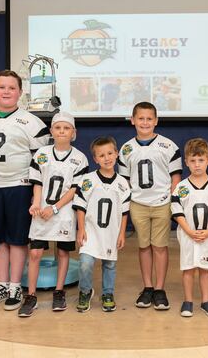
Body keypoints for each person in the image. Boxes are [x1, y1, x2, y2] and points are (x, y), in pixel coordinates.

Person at [0, 70, 50, 311]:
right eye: (2, 87)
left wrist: (38, 194)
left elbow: (42, 162)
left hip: (19, 185)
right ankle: (2, 283)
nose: (6, 91)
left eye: (12, 88)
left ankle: (15, 284)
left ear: (20, 92)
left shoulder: (32, 123)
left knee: (17, 238)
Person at [18, 112, 89, 317]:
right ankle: (31, 296)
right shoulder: (42, 153)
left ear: (73, 133)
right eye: (58, 128)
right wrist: (37, 204)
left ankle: (59, 291)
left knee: (63, 252)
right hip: (42, 210)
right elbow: (38, 182)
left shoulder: (79, 158)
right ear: (51, 131)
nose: (62, 131)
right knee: (35, 253)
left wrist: (55, 208)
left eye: (66, 128)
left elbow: (74, 189)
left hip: (64, 212)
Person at [118, 102, 182, 310]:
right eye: (141, 118)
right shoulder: (127, 148)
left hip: (162, 203)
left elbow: (176, 178)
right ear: (133, 120)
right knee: (144, 246)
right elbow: (124, 181)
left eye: (149, 119)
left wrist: (172, 202)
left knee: (160, 247)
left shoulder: (168, 146)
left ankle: (160, 289)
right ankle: (147, 286)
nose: (145, 122)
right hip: (138, 203)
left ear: (156, 121)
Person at [73, 136, 130, 312]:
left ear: (117, 154)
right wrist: (81, 229)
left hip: (111, 232)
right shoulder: (88, 180)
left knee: (110, 264)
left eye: (110, 153)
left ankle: (107, 293)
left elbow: (124, 211)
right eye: (102, 155)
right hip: (90, 231)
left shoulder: (122, 184)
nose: (107, 158)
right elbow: (80, 207)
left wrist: (122, 233)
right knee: (85, 263)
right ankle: (85, 290)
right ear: (95, 159)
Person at [171, 138, 208, 318]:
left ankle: (206, 301)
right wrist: (189, 230)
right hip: (188, 235)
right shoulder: (181, 187)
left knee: (205, 268)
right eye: (192, 161)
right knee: (188, 268)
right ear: (186, 162)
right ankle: (188, 301)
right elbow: (177, 212)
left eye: (201, 160)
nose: (197, 164)